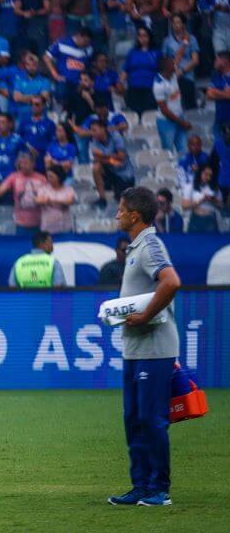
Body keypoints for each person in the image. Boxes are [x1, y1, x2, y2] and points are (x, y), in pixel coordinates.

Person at [106, 186, 182, 507]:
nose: (117, 215)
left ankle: (159, 489)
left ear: (135, 216)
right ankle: (140, 485)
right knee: (135, 419)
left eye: (121, 210)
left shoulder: (150, 244)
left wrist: (146, 315)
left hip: (154, 347)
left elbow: (172, 281)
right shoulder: (137, 247)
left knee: (151, 419)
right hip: (136, 349)